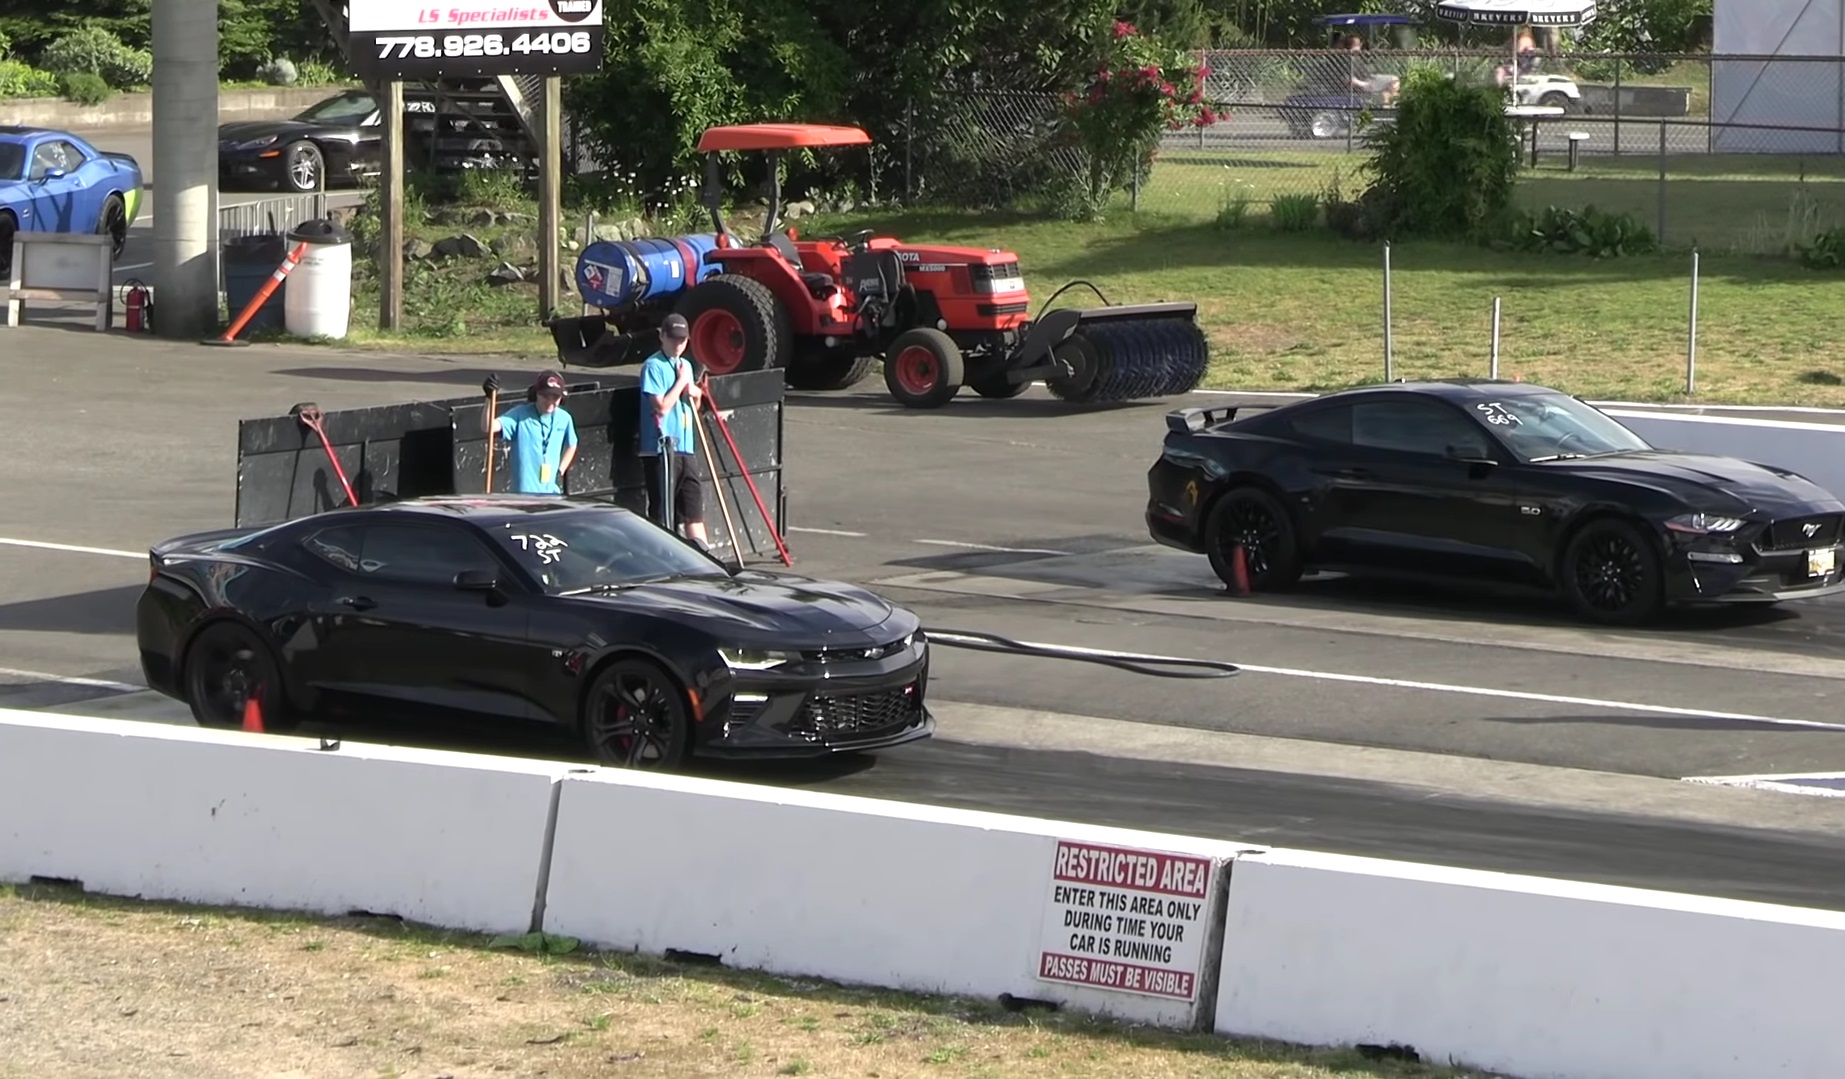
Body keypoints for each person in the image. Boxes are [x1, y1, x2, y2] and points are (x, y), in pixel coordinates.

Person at [638, 313, 710, 549]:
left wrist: (696, 395)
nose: (678, 345)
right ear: (662, 336)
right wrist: (681, 383)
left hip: (685, 447)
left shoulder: (686, 365)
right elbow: (660, 408)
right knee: (662, 511)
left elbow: (691, 407)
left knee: (693, 508)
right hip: (661, 450)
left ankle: (703, 556)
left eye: (682, 340)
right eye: (673, 339)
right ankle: (660, 555)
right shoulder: (653, 366)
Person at [479, 370, 578, 495]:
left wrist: (560, 470)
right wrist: (489, 398)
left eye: (555, 397)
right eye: (545, 396)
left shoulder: (564, 418)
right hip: (523, 497)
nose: (550, 402)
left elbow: (572, 444)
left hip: (552, 495)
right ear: (536, 394)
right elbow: (488, 427)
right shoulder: (520, 415)